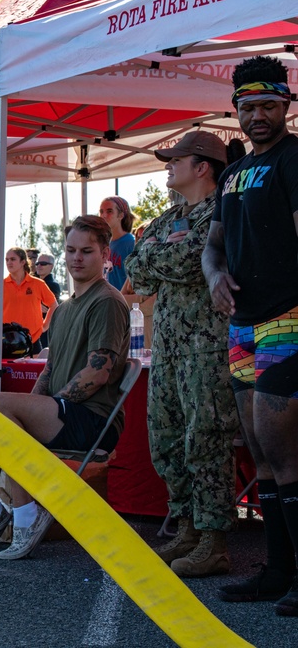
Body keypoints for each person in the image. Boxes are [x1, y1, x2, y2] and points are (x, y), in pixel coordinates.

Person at [0, 216, 129, 560]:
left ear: (104, 253)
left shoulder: (106, 300)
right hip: (68, 412)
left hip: (95, 419)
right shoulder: (64, 308)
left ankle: (27, 516)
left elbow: (99, 373)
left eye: (86, 251)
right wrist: (37, 406)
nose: (76, 258)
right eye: (70, 250)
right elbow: (50, 368)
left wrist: (50, 407)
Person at [203, 56, 298, 616]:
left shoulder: (294, 159)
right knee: (259, 451)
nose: (257, 115)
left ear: (286, 105)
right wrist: (215, 275)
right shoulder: (236, 173)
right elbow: (214, 245)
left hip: (288, 317)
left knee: (285, 452)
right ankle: (277, 572)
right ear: (235, 110)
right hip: (242, 324)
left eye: (267, 105)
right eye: (247, 107)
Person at [125, 131, 244, 578]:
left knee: (206, 439)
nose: (168, 166)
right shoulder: (166, 219)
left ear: (203, 167)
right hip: (170, 348)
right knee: (167, 439)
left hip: (208, 348)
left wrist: (163, 255)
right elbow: (137, 271)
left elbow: (194, 261)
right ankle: (189, 529)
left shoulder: (223, 211)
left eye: (176, 160)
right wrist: (162, 252)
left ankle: (214, 540)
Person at [0, 247, 58, 355]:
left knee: (34, 372)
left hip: (33, 340)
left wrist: (45, 326)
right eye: (7, 259)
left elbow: (54, 305)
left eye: (13, 259)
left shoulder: (38, 284)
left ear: (23, 262)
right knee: (9, 372)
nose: (9, 262)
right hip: (7, 342)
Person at [99, 196, 136, 290]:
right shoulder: (103, 244)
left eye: (109, 211)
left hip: (124, 301)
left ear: (121, 215)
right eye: (101, 211)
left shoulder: (131, 243)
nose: (104, 215)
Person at [34, 254, 62, 348]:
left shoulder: (53, 285)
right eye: (37, 263)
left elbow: (48, 308)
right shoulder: (34, 283)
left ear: (51, 266)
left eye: (43, 263)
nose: (39, 266)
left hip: (45, 331)